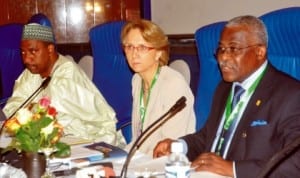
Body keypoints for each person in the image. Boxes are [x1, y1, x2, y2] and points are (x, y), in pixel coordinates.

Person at [153, 15, 300, 177]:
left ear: (259, 52)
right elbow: (209, 136)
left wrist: (233, 169)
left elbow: (295, 163)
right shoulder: (225, 88)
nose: (223, 57)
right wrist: (179, 145)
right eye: (221, 49)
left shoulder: (291, 95)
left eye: (234, 49)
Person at [3, 17, 125, 147]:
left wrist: (30, 114)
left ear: (50, 49)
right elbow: (14, 106)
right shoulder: (32, 71)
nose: (26, 59)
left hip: (90, 141)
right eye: (23, 52)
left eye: (33, 51)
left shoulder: (67, 75)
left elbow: (58, 117)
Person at [121, 19, 196, 155]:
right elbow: (138, 139)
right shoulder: (137, 80)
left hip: (167, 161)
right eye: (129, 47)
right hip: (141, 158)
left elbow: (170, 144)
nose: (134, 54)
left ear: (158, 53)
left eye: (142, 47)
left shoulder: (173, 84)